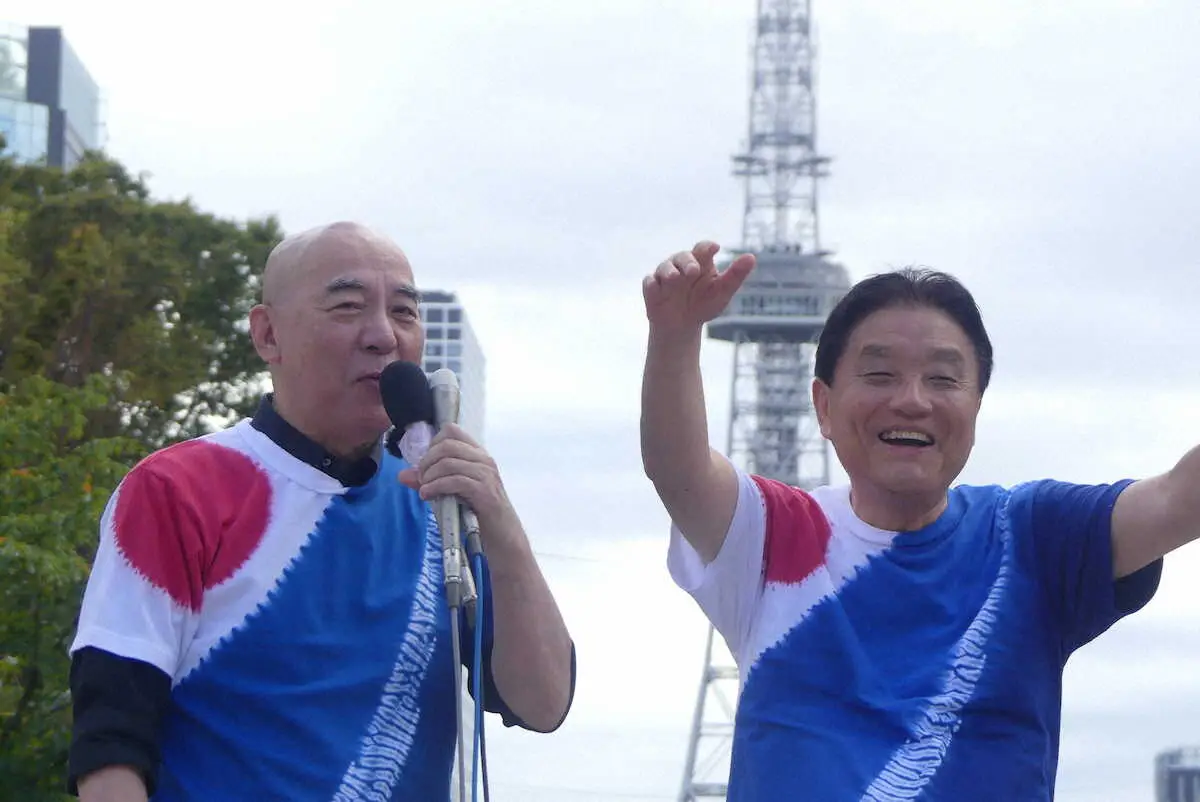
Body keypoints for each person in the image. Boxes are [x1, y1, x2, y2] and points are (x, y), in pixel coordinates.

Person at [640, 240, 1195, 801]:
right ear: (824, 406)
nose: (912, 401)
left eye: (943, 379)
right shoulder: (775, 535)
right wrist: (673, 335)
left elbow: (1179, 500)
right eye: (879, 374)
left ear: (977, 403)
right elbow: (676, 466)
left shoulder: (1033, 537)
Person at [67, 221, 576, 802]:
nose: (383, 336)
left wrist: (503, 526)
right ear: (268, 334)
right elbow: (109, 743)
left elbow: (543, 703)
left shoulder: (442, 504)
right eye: (348, 306)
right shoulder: (175, 489)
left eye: (405, 313)